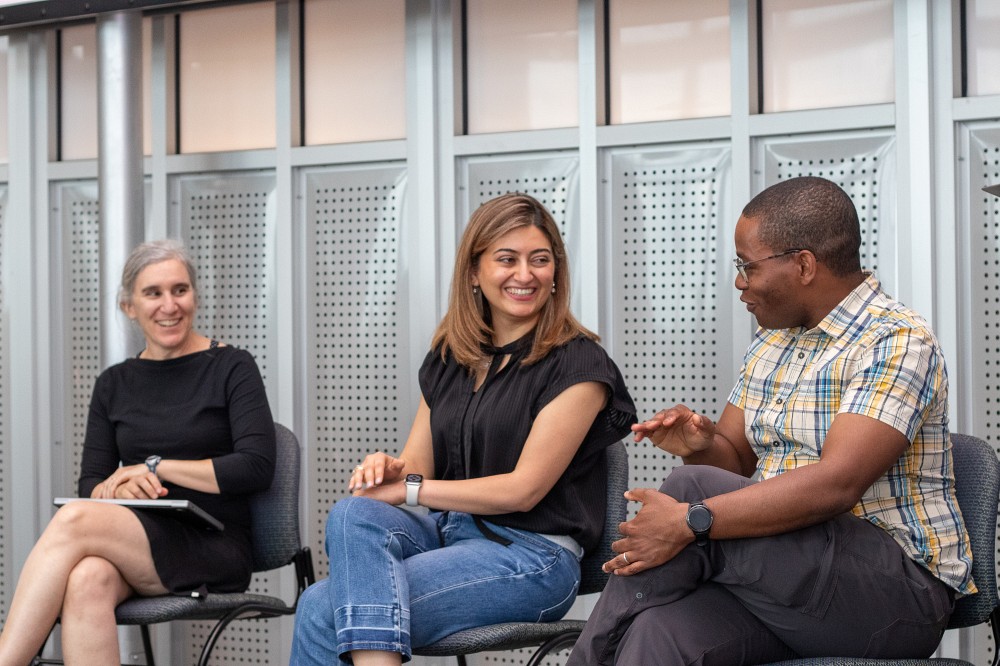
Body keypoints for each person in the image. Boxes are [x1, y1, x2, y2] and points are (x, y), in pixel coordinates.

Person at [567, 176, 975, 665]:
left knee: (689, 489)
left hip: (892, 596)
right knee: (659, 633)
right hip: (781, 582)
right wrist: (701, 445)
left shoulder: (896, 340)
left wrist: (691, 521)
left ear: (803, 265)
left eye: (747, 265)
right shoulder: (774, 339)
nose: (739, 282)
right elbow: (737, 465)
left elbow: (837, 484)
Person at [289, 193, 637, 666]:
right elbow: (416, 467)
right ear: (474, 271)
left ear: (556, 270)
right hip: (452, 534)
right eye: (507, 259)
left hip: (532, 558)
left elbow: (524, 491)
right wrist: (390, 471)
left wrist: (411, 489)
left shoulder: (579, 363)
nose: (525, 274)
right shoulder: (451, 357)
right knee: (354, 513)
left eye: (539, 260)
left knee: (321, 610)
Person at [0, 239, 276, 665]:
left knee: (73, 518)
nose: (169, 305)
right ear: (129, 306)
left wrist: (157, 468)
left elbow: (256, 466)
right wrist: (119, 486)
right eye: (153, 293)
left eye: (180, 290)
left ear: (194, 296)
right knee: (87, 578)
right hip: (139, 538)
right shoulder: (113, 384)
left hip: (214, 542)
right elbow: (91, 485)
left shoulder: (232, 366)